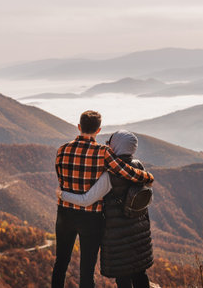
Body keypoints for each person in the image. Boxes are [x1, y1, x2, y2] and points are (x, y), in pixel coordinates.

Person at [52, 111, 154, 288]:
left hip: (64, 214)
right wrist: (148, 177)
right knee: (86, 270)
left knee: (61, 262)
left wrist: (64, 195)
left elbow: (61, 179)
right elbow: (126, 172)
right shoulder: (102, 152)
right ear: (98, 130)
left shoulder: (62, 149)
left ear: (79, 127)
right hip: (90, 217)